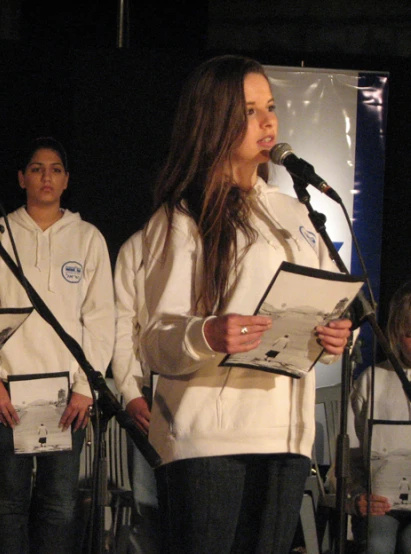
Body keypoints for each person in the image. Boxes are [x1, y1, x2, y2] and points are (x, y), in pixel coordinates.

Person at [138, 55, 352, 554]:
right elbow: (155, 340)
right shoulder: (182, 217)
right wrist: (208, 334)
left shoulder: (296, 211)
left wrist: (340, 332)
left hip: (286, 436)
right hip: (213, 439)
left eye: (270, 107)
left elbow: (333, 302)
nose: (269, 121)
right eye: (250, 110)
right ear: (213, 121)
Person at [0, 136, 115, 553]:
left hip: (67, 393)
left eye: (55, 169)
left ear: (67, 179)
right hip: (9, 391)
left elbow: (100, 317)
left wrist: (86, 388)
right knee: (9, 505)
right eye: (36, 169)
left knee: (61, 504)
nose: (45, 177)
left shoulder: (88, 237)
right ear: (21, 178)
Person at [111, 228, 162, 553]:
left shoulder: (218, 237)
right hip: (153, 394)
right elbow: (123, 322)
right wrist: (130, 392)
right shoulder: (138, 246)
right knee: (149, 508)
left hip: (210, 393)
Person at [351, 280, 411, 553]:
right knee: (377, 545)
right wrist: (357, 496)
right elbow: (348, 455)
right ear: (397, 334)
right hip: (382, 505)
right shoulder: (372, 380)